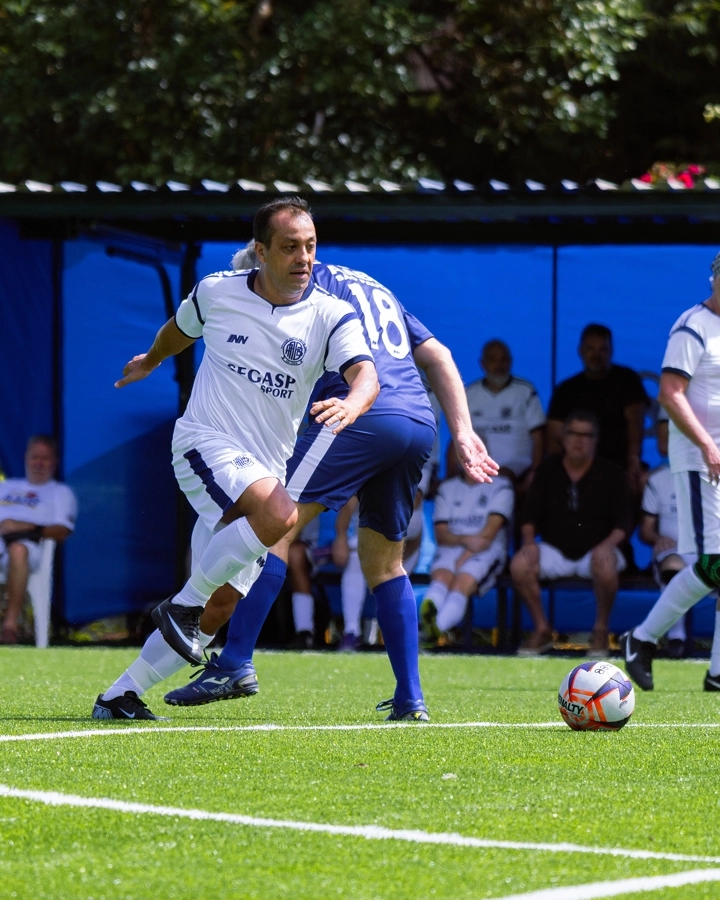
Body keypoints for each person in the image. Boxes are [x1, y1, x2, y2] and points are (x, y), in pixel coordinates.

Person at [161, 255, 497, 721]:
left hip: (358, 412)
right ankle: (410, 699)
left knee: (273, 527)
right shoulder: (374, 284)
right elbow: (437, 354)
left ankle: (234, 662)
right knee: (385, 563)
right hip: (418, 421)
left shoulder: (302, 283)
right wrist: (463, 431)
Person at [92, 197, 379, 720]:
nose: (304, 258)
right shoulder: (216, 291)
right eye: (290, 247)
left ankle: (119, 694)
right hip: (205, 442)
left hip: (263, 470)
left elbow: (366, 375)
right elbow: (179, 330)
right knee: (281, 516)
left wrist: (353, 403)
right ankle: (182, 602)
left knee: (220, 604)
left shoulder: (332, 314)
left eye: (310, 246)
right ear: (261, 252)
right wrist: (151, 360)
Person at [622, 251, 720, 692]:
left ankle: (718, 673)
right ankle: (641, 638)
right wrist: (707, 444)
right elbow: (670, 392)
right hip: (702, 460)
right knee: (714, 564)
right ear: (714, 278)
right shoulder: (692, 325)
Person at [510, 410, 633, 655]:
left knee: (606, 563)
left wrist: (607, 545)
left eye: (586, 435)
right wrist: (529, 542)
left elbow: (625, 522)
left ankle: (600, 631)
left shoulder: (612, 472)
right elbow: (528, 515)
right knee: (520, 564)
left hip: (597, 550)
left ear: (596, 440)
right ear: (563, 437)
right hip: (555, 549)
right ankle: (542, 629)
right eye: (574, 433)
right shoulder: (547, 470)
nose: (579, 440)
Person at [546, 324, 649, 493]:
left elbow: (636, 423)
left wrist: (633, 459)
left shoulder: (627, 380)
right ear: (580, 351)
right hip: (577, 466)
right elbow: (554, 435)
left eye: (602, 349)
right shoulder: (566, 389)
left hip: (620, 465)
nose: (596, 355)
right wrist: (562, 471)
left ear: (611, 351)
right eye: (590, 349)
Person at [419, 471, 514, 646]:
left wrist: (465, 555)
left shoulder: (501, 486)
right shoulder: (447, 488)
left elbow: (487, 536)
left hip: (489, 550)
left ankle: (432, 630)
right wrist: (465, 541)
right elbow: (441, 535)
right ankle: (429, 624)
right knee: (441, 578)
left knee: (462, 582)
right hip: (452, 546)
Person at [0, 435, 77, 643]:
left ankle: (10, 625)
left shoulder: (60, 493)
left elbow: (62, 531)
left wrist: (24, 527)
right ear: (26, 458)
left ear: (54, 462)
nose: (39, 464)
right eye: (35, 457)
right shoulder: (6, 487)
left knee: (18, 549)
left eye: (45, 458)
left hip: (29, 545)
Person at [456, 339, 545, 489]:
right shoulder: (469, 394)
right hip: (476, 465)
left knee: (501, 477)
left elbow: (539, 438)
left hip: (516, 468)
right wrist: (450, 476)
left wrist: (535, 474)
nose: (499, 365)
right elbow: (457, 438)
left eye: (503, 359)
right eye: (492, 359)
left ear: (510, 362)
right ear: (482, 363)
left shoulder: (525, 391)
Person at [639, 462, 701, 657]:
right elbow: (645, 531)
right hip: (672, 551)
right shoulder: (658, 479)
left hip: (710, 551)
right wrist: (658, 539)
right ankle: (676, 638)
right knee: (673, 566)